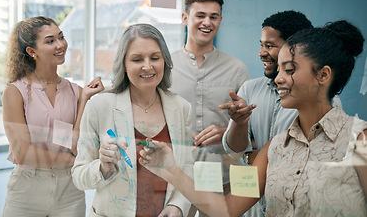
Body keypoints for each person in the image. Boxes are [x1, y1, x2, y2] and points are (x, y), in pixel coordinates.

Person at [139, 20, 367, 216]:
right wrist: (170, 169)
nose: (278, 79)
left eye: (289, 70)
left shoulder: (359, 140)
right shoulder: (275, 147)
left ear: (323, 75)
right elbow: (227, 209)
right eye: (279, 70)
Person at [71, 23, 194, 217]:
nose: (148, 66)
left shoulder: (182, 108)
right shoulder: (99, 106)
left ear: (165, 61)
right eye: (137, 59)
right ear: (124, 64)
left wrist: (178, 205)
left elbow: (187, 169)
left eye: (155, 58)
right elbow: (78, 176)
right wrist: (102, 166)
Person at [1, 16, 104, 216]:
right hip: (26, 191)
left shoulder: (76, 92)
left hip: (70, 191)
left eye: (61, 37)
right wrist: (71, 159)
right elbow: (23, 153)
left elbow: (75, 145)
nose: (60, 45)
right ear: (32, 52)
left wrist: (84, 100)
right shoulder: (15, 92)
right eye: (50, 41)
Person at [170, 0, 249, 216]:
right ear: (185, 18)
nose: (207, 22)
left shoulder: (237, 69)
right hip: (177, 179)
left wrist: (226, 131)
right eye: (200, 15)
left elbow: (249, 128)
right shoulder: (165, 67)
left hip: (223, 180)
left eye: (213, 17)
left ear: (220, 20)